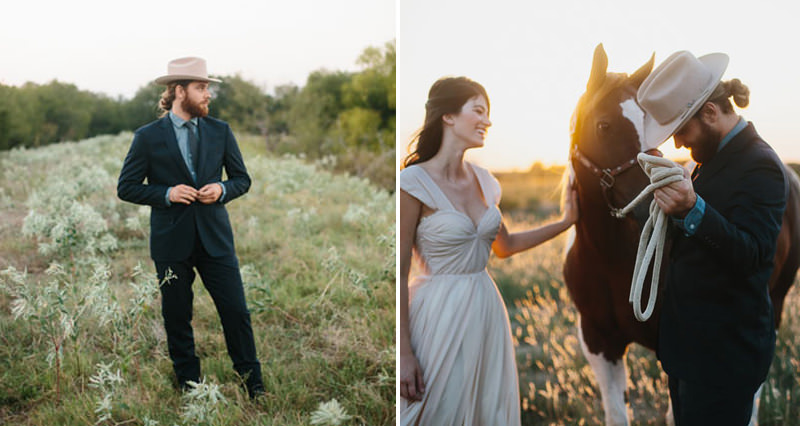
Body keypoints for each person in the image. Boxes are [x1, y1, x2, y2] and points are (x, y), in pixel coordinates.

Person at [399, 76, 578, 425]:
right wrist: (404, 353)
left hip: (486, 310)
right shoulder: (413, 183)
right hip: (437, 313)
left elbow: (506, 246)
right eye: (478, 110)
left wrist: (565, 221)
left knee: (486, 411)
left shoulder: (486, 181)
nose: (488, 121)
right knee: (436, 409)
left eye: (488, 112)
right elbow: (398, 270)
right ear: (448, 116)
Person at [636, 51, 787, 424]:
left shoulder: (761, 165)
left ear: (710, 113)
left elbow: (753, 255)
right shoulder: (708, 158)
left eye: (682, 131)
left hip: (725, 360)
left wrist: (692, 210)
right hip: (689, 352)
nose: (678, 145)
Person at [117, 57, 265, 398]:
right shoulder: (147, 137)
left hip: (216, 239)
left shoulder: (220, 131)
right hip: (171, 242)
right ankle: (189, 384)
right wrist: (166, 193)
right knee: (177, 317)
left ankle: (252, 383)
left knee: (236, 312)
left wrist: (223, 189)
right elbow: (126, 187)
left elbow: (242, 179)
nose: (208, 94)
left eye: (207, 87)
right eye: (201, 87)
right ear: (179, 90)